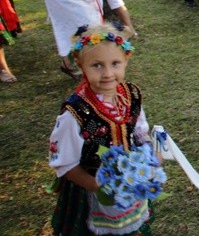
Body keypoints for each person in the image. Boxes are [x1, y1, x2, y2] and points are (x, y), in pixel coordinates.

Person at [48, 23, 156, 235]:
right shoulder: (75, 112)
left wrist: (150, 156)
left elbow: (140, 132)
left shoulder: (130, 95)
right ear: (80, 65)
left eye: (115, 63)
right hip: (91, 189)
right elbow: (65, 163)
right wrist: (96, 185)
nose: (108, 73)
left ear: (126, 60)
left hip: (129, 182)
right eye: (97, 65)